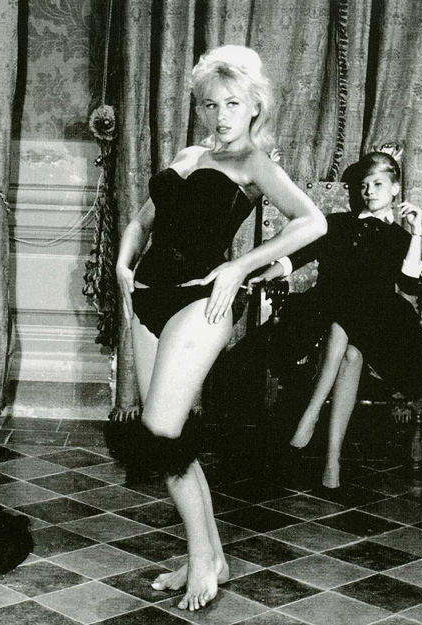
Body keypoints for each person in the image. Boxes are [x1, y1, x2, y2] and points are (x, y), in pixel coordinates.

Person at [110, 45, 326, 612]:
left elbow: (312, 222)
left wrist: (239, 266)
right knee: (173, 437)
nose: (221, 115)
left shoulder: (255, 163)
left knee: (160, 434)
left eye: (233, 103)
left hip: (199, 303)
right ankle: (211, 556)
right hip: (147, 298)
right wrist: (123, 267)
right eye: (211, 104)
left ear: (254, 106)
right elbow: (142, 221)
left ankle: (202, 559)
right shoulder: (189, 154)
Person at [248, 150, 422, 489]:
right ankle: (332, 462)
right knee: (351, 353)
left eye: (378, 184)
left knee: (350, 325)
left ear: (395, 189)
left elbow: (409, 285)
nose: (369, 191)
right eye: (364, 185)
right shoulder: (337, 224)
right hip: (326, 308)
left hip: (377, 319)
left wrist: (417, 232)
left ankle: (311, 414)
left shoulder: (401, 237)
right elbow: (299, 255)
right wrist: (266, 274)